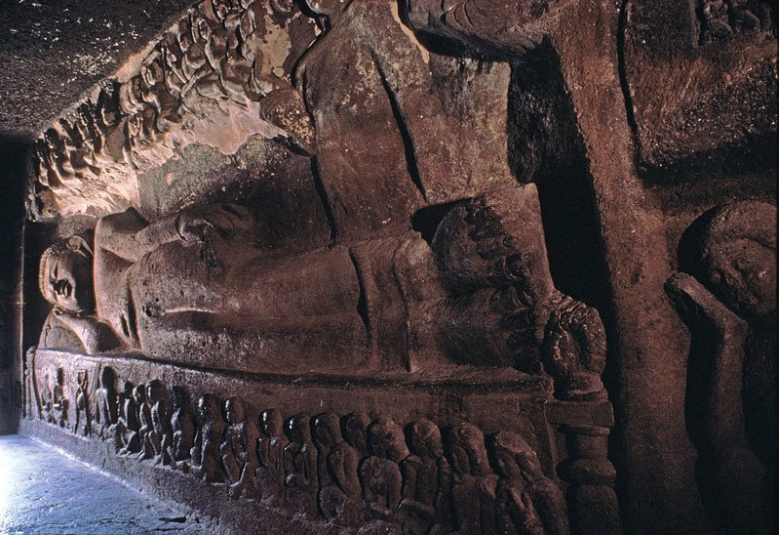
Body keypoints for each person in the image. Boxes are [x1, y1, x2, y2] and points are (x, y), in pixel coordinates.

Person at [37, 203, 369, 374]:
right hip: (160, 338)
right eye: (55, 294)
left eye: (54, 274)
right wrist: (67, 317)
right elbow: (97, 346)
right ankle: (354, 339)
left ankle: (365, 276)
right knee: (252, 344)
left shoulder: (102, 237)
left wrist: (180, 225)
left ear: (75, 245)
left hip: (159, 280)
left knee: (253, 294)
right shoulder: (98, 322)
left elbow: (140, 242)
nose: (59, 286)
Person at [666, 200, 777, 534]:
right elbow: (724, 441)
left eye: (744, 265)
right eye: (718, 279)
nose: (735, 285)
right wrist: (728, 334)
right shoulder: (754, 340)